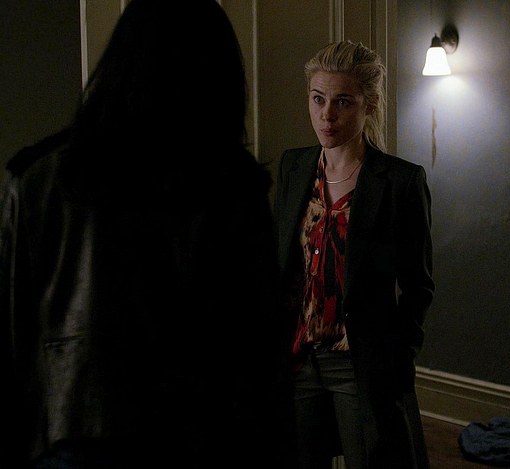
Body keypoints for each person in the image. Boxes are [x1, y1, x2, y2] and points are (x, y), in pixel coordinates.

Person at [0, 1, 294, 467]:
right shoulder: (230, 183)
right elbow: (258, 347)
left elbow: (14, 337)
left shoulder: (40, 178)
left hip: (74, 427)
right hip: (199, 432)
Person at [274, 41, 434, 469]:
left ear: (370, 104)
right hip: (298, 358)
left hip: (358, 363)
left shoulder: (399, 182)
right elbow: (282, 265)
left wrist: (397, 360)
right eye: (318, 99)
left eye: (342, 102)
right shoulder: (294, 167)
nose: (327, 115)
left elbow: (418, 286)